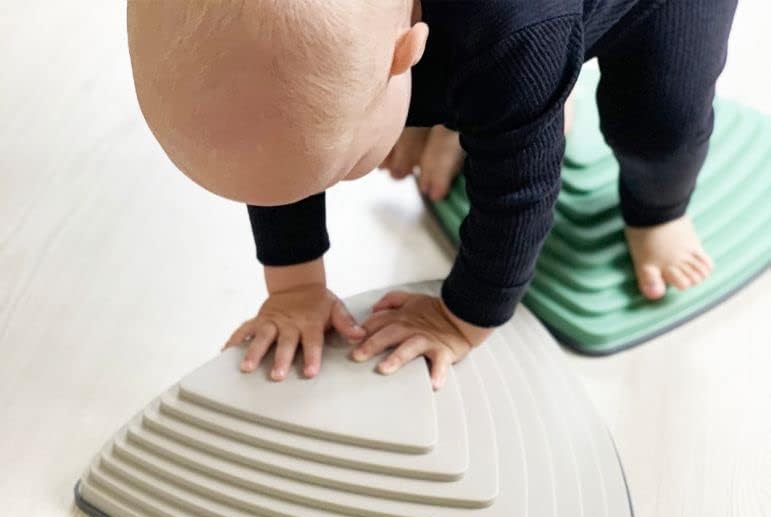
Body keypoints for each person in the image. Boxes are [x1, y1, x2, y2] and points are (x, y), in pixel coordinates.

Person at [127, 0, 738, 388]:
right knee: (481, 85)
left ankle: (660, 209)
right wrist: (296, 287)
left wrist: (462, 319)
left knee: (658, 122)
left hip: (647, 9)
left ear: (405, 55)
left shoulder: (511, 33)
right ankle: (490, 102)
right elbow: (269, 135)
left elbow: (519, 193)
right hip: (496, 36)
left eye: (341, 171)